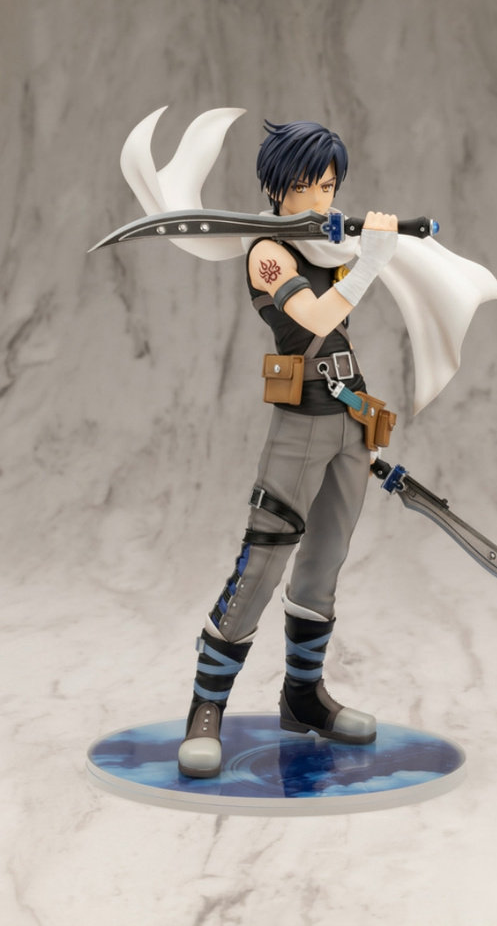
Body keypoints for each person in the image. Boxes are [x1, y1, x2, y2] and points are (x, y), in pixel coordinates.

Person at [178, 120, 399, 778]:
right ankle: (206, 708)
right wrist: (373, 262)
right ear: (278, 187)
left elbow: (342, 307)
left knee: (324, 562)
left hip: (351, 416)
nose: (318, 199)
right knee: (264, 559)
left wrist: (369, 247)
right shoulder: (268, 253)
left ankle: (303, 697)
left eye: (328, 186)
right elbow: (316, 318)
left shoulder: (328, 247)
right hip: (300, 422)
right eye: (305, 185)